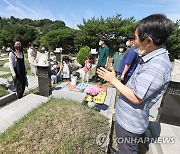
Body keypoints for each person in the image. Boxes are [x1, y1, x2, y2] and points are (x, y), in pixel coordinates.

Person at [97, 14, 173, 154]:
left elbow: (136, 98)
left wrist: (112, 80)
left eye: (136, 38)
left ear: (148, 41)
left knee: (128, 149)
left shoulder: (157, 66)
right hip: (127, 118)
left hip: (130, 123)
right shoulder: (149, 56)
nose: (133, 42)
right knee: (124, 146)